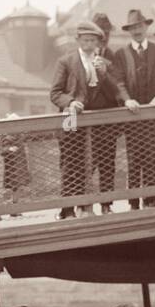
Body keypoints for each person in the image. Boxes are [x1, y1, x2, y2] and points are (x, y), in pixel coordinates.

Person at [49, 20, 122, 220]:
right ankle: (69, 209)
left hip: (102, 123)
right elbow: (55, 93)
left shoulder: (106, 64)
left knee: (106, 163)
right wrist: (70, 102)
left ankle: (106, 205)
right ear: (78, 41)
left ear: (99, 43)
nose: (89, 45)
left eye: (93, 41)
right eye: (85, 40)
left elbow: (116, 95)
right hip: (74, 122)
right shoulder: (66, 62)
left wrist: (104, 75)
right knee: (72, 164)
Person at [113, 8, 155, 209]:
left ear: (146, 27)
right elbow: (118, 82)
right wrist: (126, 99)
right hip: (133, 116)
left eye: (139, 26)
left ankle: (153, 199)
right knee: (135, 159)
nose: (137, 30)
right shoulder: (121, 54)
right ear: (129, 30)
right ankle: (134, 202)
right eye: (132, 27)